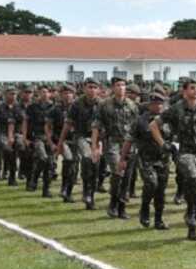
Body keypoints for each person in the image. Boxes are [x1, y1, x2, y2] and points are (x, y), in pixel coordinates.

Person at [151, 77, 196, 241]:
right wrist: (163, 144)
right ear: (184, 91)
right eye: (191, 88)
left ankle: (192, 217)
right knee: (193, 178)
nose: (195, 91)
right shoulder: (176, 109)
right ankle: (192, 217)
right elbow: (154, 125)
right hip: (185, 151)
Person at [120, 91, 171, 230]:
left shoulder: (168, 119)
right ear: (149, 105)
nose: (158, 106)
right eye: (155, 103)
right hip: (146, 159)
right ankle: (144, 209)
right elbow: (128, 140)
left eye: (161, 103)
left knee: (161, 190)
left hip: (163, 159)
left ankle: (159, 220)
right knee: (151, 184)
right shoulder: (140, 121)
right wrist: (123, 158)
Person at [91, 76, 139, 219]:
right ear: (112, 87)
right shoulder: (104, 105)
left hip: (129, 144)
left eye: (123, 85)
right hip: (112, 142)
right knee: (118, 172)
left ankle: (121, 207)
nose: (121, 88)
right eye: (118, 85)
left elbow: (136, 127)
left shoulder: (132, 105)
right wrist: (94, 146)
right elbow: (96, 126)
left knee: (127, 177)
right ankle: (113, 203)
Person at [58, 78, 101, 210]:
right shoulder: (77, 104)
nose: (92, 90)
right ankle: (86, 192)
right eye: (89, 87)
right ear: (84, 89)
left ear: (98, 90)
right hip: (81, 136)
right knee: (88, 158)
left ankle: (90, 198)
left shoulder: (103, 104)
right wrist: (60, 142)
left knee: (96, 167)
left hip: (99, 138)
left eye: (94, 87)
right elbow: (68, 124)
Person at [23, 85, 55, 197]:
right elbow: (26, 122)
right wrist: (24, 137)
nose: (45, 94)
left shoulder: (54, 107)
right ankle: (34, 178)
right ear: (39, 93)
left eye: (47, 92)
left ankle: (46, 190)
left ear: (50, 94)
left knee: (50, 164)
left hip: (50, 138)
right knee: (42, 158)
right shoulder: (32, 107)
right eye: (42, 92)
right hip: (37, 136)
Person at [0, 86, 26, 187]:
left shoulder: (19, 107)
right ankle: (9, 173)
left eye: (14, 94)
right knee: (7, 151)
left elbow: (24, 122)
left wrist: (24, 135)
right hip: (3, 134)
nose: (13, 96)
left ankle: (19, 172)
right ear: (6, 95)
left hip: (17, 133)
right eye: (11, 93)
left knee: (22, 148)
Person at [47, 84, 76, 203]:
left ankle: (67, 193)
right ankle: (64, 188)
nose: (67, 95)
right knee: (68, 159)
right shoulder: (55, 109)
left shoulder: (77, 107)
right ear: (61, 95)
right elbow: (47, 127)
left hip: (76, 140)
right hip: (60, 140)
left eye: (70, 93)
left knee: (74, 168)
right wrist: (51, 143)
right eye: (65, 93)